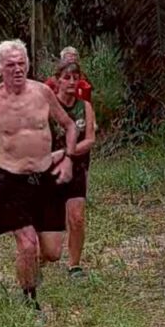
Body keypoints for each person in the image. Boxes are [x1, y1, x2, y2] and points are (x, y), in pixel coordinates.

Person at [0, 39, 78, 316]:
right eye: (10, 65)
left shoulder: (43, 92)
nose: (17, 69)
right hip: (11, 181)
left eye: (22, 63)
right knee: (27, 243)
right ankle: (29, 301)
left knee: (52, 252)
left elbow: (70, 126)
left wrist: (69, 158)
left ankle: (29, 269)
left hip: (45, 178)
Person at [50, 59, 96, 280]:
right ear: (57, 80)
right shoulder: (49, 107)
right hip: (50, 169)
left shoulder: (84, 107)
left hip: (77, 166)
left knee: (76, 218)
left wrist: (67, 153)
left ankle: (74, 265)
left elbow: (90, 139)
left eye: (75, 78)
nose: (71, 82)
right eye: (66, 77)